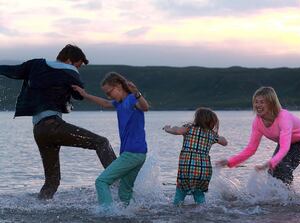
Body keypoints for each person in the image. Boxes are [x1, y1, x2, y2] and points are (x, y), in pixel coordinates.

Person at [0, 44, 116, 199]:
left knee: (52, 181)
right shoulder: (69, 71)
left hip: (39, 131)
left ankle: (39, 208)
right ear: (69, 60)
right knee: (102, 143)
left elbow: (12, 71)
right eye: (78, 65)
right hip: (54, 126)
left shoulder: (35, 64)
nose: (78, 69)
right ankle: (122, 186)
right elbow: (79, 95)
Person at [72, 72, 149, 208]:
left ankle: (107, 215)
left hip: (132, 153)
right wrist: (85, 95)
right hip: (139, 154)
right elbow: (105, 103)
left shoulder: (132, 99)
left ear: (118, 86)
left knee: (101, 182)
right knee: (124, 193)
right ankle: (134, 216)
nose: (109, 96)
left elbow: (145, 107)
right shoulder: (120, 103)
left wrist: (137, 92)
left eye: (109, 92)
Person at [217, 86, 300, 187]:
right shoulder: (257, 122)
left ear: (271, 104)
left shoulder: (283, 117)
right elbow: (250, 149)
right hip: (287, 142)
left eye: (262, 102)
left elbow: (284, 148)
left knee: (282, 167)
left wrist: (270, 162)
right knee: (272, 171)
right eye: (256, 102)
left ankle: (288, 199)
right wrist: (230, 162)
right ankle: (275, 198)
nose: (258, 105)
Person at [163, 107, 228, 205]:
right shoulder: (212, 134)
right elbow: (225, 142)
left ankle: (176, 208)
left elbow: (177, 131)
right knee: (199, 194)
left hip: (187, 169)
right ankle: (202, 212)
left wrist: (168, 128)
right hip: (203, 171)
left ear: (197, 118)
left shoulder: (189, 128)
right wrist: (218, 136)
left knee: (180, 192)